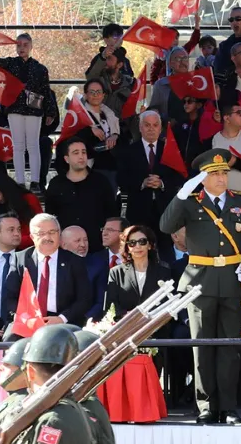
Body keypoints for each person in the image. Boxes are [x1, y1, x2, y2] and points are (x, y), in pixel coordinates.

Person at [159, 149, 241, 425]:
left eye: (224, 173)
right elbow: (165, 224)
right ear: (203, 178)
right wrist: (182, 193)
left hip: (232, 280)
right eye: (214, 174)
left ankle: (228, 407)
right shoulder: (191, 202)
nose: (221, 178)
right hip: (200, 283)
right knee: (202, 346)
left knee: (228, 347)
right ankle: (206, 405)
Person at [0, 33, 56, 190]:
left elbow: (46, 91)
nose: (22, 48)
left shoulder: (40, 68)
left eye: (25, 44)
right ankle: (20, 182)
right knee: (18, 146)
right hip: (14, 108)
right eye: (19, 45)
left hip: (34, 110)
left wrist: (50, 111)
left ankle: (35, 182)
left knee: (33, 145)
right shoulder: (11, 63)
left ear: (31, 46)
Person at [3, 213, 94, 333]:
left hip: (63, 321)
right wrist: (26, 319)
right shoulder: (20, 259)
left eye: (52, 232)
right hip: (27, 320)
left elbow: (84, 299)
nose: (47, 237)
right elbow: (9, 298)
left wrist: (61, 319)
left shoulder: (74, 261)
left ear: (59, 235)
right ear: (32, 237)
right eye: (41, 233)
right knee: (10, 345)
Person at [116, 110, 182, 257]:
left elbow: (179, 178)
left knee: (166, 253)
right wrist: (142, 183)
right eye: (147, 125)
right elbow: (121, 179)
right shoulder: (128, 151)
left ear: (160, 128)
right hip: (139, 210)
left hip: (165, 210)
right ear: (140, 128)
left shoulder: (170, 149)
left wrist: (162, 183)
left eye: (155, 125)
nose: (151, 128)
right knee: (139, 251)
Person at [45, 138, 120, 255]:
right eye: (76, 153)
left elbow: (111, 214)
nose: (81, 156)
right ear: (66, 159)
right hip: (66, 250)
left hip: (96, 249)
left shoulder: (101, 181)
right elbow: (50, 217)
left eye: (83, 152)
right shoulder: (56, 184)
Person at [104, 225, 172, 320]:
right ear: (127, 247)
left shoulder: (164, 271)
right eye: (132, 243)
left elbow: (169, 302)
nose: (138, 246)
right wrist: (126, 315)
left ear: (149, 245)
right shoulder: (116, 272)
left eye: (142, 242)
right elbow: (111, 304)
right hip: (125, 326)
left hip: (156, 325)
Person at [0, 172, 43, 250]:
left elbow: (40, 229)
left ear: (7, 192)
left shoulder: (29, 199)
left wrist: (15, 242)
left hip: (29, 247)